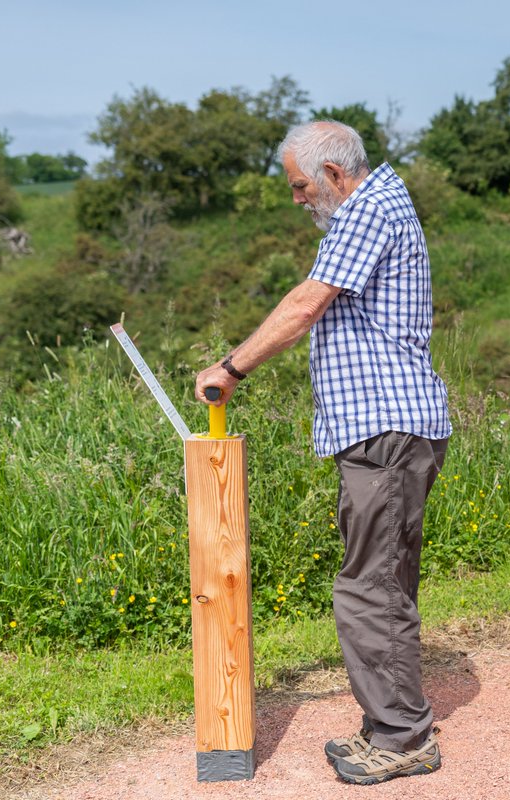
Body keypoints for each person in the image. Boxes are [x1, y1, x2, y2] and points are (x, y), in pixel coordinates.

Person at [195, 121, 451, 785]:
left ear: (336, 174)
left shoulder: (368, 208)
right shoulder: (376, 205)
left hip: (386, 432)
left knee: (368, 588)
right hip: (388, 431)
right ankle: (389, 725)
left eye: (302, 186)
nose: (298, 199)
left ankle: (401, 738)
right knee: (383, 581)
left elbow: (307, 303)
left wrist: (232, 367)